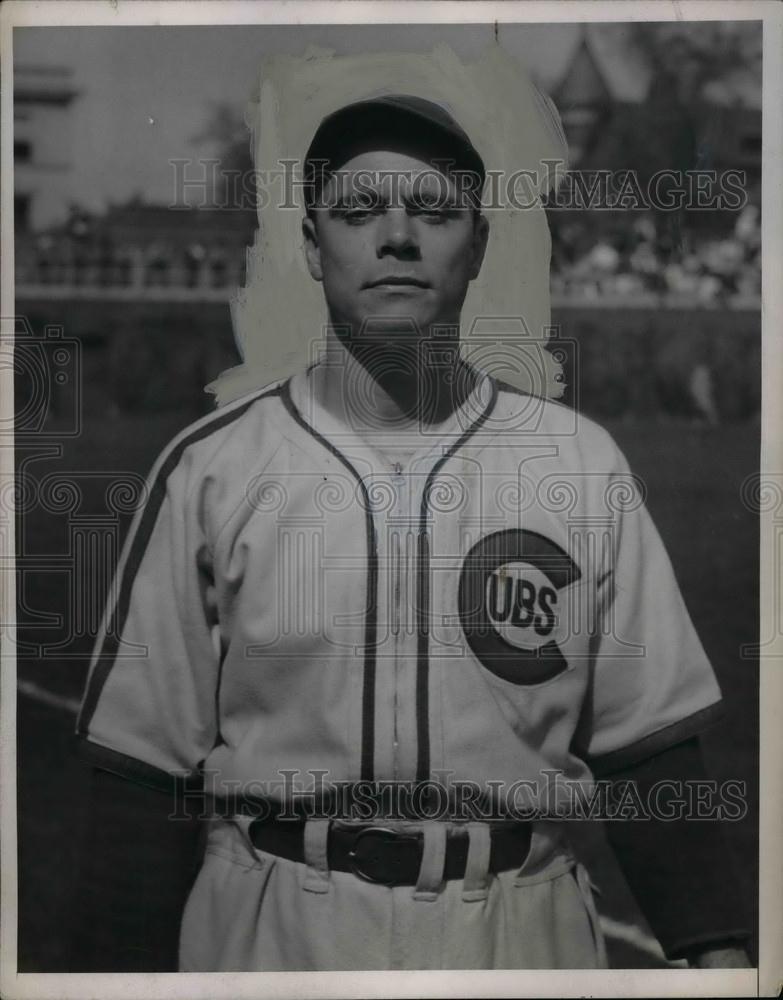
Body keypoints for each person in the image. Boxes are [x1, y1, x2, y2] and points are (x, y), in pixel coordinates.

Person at [72, 93, 750, 972]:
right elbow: (140, 770)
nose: (397, 236)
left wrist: (719, 956)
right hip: (271, 929)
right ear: (312, 247)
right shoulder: (214, 467)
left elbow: (648, 751)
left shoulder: (578, 463)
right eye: (357, 212)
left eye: (433, 211)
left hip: (518, 929)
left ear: (479, 245)